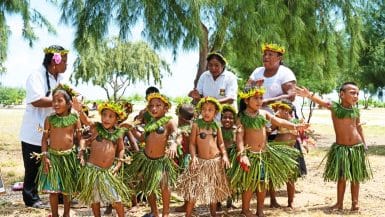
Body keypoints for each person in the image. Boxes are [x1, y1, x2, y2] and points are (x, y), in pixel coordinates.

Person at [227, 86, 308, 217]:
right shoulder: (242, 117)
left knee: (262, 183)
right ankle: (245, 210)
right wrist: (242, 155)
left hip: (263, 156)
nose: (259, 101)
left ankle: (260, 210)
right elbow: (240, 138)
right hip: (250, 156)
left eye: (261, 98)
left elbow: (278, 121)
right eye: (256, 98)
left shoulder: (263, 113)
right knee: (249, 184)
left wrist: (295, 126)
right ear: (246, 101)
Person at [296, 82, 373, 211]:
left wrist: (364, 144)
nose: (356, 96)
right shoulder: (335, 108)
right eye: (352, 93)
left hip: (356, 147)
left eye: (357, 94)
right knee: (342, 177)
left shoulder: (355, 110)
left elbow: (359, 127)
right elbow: (323, 103)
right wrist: (309, 95)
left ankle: (355, 203)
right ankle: (339, 203)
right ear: (342, 94)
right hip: (341, 148)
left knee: (356, 176)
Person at [19, 45, 69, 208]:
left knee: (57, 164)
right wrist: (63, 101)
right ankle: (31, 199)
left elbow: (70, 93)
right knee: (32, 168)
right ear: (55, 62)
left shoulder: (60, 79)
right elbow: (36, 100)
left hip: (55, 132)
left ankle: (61, 196)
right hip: (34, 131)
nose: (67, 66)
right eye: (65, 62)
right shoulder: (36, 76)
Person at [72, 100, 131, 217]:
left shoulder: (118, 134)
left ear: (116, 119)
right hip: (92, 170)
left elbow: (121, 149)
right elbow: (86, 121)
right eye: (104, 115)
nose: (106, 119)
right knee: (95, 199)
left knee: (116, 199)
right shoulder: (96, 128)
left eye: (110, 116)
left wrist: (119, 164)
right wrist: (80, 110)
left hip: (107, 172)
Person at [177, 97, 231, 217]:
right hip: (200, 162)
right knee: (194, 190)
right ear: (200, 111)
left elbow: (221, 143)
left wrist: (225, 156)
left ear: (215, 112)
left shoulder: (216, 125)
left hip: (215, 162)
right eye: (204, 109)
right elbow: (192, 143)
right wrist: (193, 157)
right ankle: (188, 214)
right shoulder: (196, 125)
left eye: (210, 110)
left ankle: (213, 214)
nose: (206, 112)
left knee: (213, 191)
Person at [128, 93, 178, 217]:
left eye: (158, 105)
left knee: (165, 186)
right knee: (149, 187)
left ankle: (165, 213)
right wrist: (132, 129)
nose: (154, 108)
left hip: (161, 161)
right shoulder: (149, 124)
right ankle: (155, 212)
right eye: (151, 106)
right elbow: (141, 139)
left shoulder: (169, 122)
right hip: (147, 160)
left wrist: (173, 144)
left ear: (166, 108)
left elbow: (177, 133)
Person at [36, 84, 82, 217]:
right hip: (53, 158)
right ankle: (55, 214)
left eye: (59, 101)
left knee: (67, 189)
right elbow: (44, 139)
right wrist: (45, 155)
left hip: (69, 158)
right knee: (53, 190)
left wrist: (81, 151)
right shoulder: (49, 119)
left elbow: (80, 138)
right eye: (54, 101)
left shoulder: (75, 117)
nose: (55, 104)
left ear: (69, 104)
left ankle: (66, 214)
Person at [268, 100, 307, 208]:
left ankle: (291, 202)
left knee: (290, 177)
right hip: (277, 150)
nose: (281, 111)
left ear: (289, 110)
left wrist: (304, 143)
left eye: (284, 109)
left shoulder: (296, 121)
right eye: (280, 109)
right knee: (272, 176)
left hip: (290, 152)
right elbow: (269, 131)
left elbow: (303, 135)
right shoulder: (278, 121)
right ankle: (273, 200)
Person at [247, 43, 296, 109]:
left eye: (270, 54)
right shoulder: (257, 71)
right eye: (265, 54)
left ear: (279, 58)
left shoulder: (286, 73)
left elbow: (291, 96)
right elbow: (246, 91)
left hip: (278, 116)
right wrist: (254, 86)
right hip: (257, 114)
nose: (266, 57)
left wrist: (268, 101)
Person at [174, 103, 195, 213]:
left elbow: (180, 139)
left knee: (189, 183)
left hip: (189, 158)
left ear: (181, 117)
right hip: (188, 157)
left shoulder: (185, 129)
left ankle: (188, 206)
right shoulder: (194, 125)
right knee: (188, 183)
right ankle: (187, 204)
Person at [220, 104, 238, 209]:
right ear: (221, 118)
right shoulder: (218, 130)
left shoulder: (236, 130)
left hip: (233, 158)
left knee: (232, 180)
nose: (228, 119)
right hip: (221, 158)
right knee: (220, 179)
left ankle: (230, 200)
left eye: (231, 118)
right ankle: (217, 201)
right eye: (225, 117)